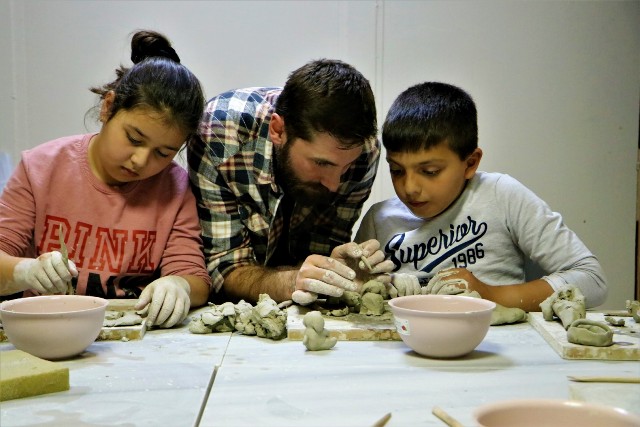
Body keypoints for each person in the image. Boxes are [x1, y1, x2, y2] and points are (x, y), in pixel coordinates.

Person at [0, 30, 212, 328]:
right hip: (49, 328)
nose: (141, 161)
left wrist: (179, 285)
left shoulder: (174, 188)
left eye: (163, 153)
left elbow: (195, 276)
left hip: (133, 333)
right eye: (134, 139)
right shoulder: (41, 168)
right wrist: (25, 270)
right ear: (108, 107)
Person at [355, 82, 607, 311]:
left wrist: (489, 294)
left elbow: (592, 280)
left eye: (429, 171)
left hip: (498, 347)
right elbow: (360, 296)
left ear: (470, 163)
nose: (409, 187)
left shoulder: (501, 195)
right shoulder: (379, 219)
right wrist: (364, 284)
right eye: (396, 170)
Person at [188, 59, 393, 305]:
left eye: (346, 167)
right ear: (278, 130)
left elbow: (319, 253)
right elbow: (223, 269)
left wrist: (336, 267)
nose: (334, 184)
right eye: (322, 164)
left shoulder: (365, 152)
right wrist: (294, 280)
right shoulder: (219, 132)